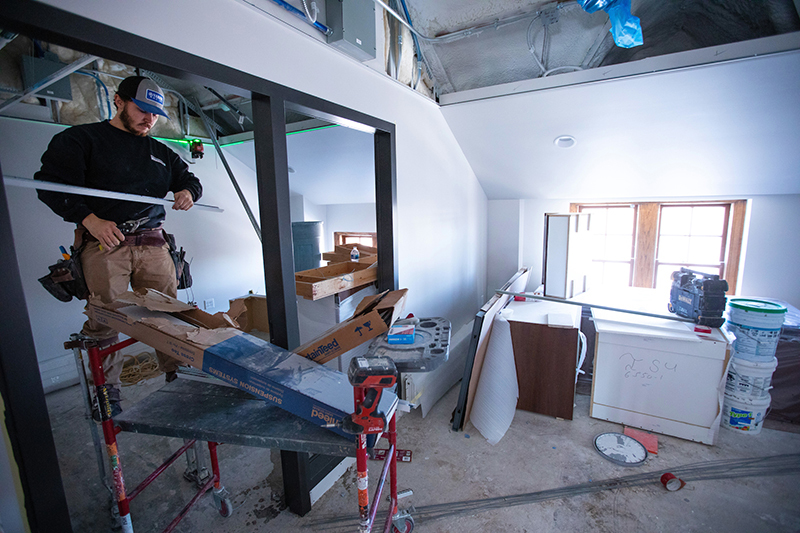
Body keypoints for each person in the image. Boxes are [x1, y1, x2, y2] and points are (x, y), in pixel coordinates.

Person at [35, 76, 202, 418]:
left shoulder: (159, 152)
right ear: (118, 101)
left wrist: (188, 192)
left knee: (167, 315)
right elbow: (50, 185)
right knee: (106, 321)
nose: (149, 119)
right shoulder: (82, 140)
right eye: (142, 110)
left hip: (154, 244)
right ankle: (106, 393)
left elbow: (189, 178)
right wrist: (89, 219)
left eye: (155, 114)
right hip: (104, 245)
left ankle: (180, 379)